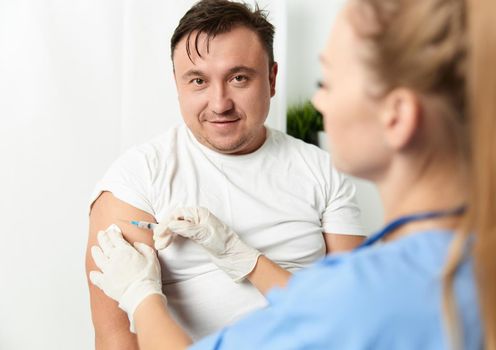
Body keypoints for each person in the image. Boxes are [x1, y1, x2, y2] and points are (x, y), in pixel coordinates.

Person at [87, 0, 496, 348]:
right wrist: (249, 260)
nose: (318, 104)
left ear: (398, 115)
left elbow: (335, 307)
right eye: (197, 81)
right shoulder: (479, 259)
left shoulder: (364, 289)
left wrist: (143, 297)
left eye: (327, 82)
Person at [86, 0, 366, 347]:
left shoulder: (321, 170)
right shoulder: (137, 178)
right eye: (198, 80)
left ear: (272, 78)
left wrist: (244, 258)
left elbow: (356, 316)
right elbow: (116, 337)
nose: (220, 104)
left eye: (238, 78)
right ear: (177, 84)